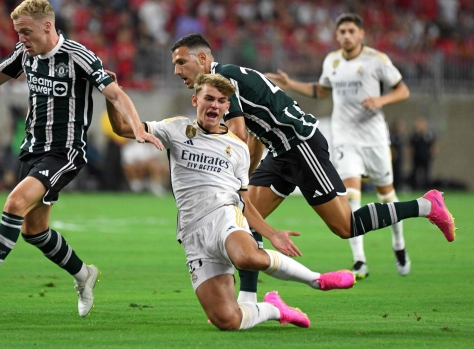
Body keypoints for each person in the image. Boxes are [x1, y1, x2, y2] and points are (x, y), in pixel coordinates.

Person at [170, 33, 456, 304]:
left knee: (346, 226)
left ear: (204, 58)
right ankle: (247, 303)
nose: (176, 70)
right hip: (280, 151)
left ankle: (427, 205)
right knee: (245, 220)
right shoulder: (230, 77)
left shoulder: (224, 80)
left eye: (181, 62)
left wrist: (227, 173)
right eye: (174, 64)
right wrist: (245, 176)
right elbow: (255, 134)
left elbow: (239, 134)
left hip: (300, 147)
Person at [0, 0, 162, 317]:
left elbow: (115, 93)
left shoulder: (78, 56)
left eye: (26, 32)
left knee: (13, 203)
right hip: (32, 149)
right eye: (18, 33)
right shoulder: (26, 54)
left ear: (47, 26)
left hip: (64, 152)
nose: (21, 38)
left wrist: (137, 128)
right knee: (33, 231)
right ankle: (84, 274)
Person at [107, 72, 355, 331]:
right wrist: (111, 96)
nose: (214, 105)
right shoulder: (176, 129)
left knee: (246, 256)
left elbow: (244, 200)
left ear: (227, 107)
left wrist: (272, 234)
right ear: (195, 100)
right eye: (209, 98)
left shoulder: (237, 149)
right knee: (227, 320)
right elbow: (122, 128)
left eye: (221, 101)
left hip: (225, 215)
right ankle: (274, 308)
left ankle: (317, 280)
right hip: (192, 233)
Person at [265, 13, 412, 279]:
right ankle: (359, 260)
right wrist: (290, 84)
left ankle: (399, 244)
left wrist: (381, 101)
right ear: (337, 35)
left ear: (360, 34)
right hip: (345, 137)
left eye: (350, 31)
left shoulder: (377, 60)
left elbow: (403, 90)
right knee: (351, 197)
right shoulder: (331, 61)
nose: (345, 35)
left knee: (386, 194)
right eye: (341, 31)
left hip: (375, 137)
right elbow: (322, 90)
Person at [409, 117, 437, 190]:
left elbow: (434, 145)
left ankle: (426, 188)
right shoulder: (415, 135)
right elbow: (410, 147)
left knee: (426, 173)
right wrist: (410, 155)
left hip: (426, 157)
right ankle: (414, 187)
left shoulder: (429, 135)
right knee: (415, 172)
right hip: (417, 157)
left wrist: (432, 154)